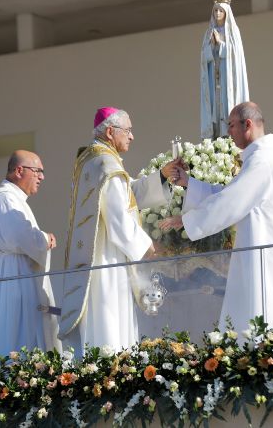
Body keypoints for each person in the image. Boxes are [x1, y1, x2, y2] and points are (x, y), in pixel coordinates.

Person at [160, 102, 273, 334]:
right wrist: (190, 184)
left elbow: (232, 201)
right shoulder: (260, 158)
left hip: (264, 251)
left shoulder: (263, 161)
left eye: (231, 125)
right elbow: (229, 193)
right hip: (257, 247)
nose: (228, 132)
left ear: (247, 124)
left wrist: (186, 220)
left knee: (262, 314)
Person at [58, 107, 181, 357]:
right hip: (109, 259)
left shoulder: (93, 160)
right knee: (112, 324)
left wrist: (162, 176)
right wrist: (149, 247)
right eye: (128, 130)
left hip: (100, 257)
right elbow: (118, 220)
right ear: (111, 132)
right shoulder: (106, 164)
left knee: (105, 323)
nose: (132, 136)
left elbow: (127, 196)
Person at [0, 150, 60, 358]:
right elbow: (20, 236)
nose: (42, 177)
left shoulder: (14, 199)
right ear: (19, 170)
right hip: (14, 274)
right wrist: (45, 238)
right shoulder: (5, 200)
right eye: (37, 171)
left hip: (17, 271)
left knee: (23, 330)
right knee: (17, 331)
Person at [200, 0, 249, 139]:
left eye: (221, 11)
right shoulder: (209, 33)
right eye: (215, 11)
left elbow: (235, 57)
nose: (218, 14)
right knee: (215, 107)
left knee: (228, 106)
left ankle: (229, 136)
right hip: (214, 79)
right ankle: (215, 136)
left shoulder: (233, 32)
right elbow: (204, 58)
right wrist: (211, 47)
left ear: (226, 13)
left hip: (229, 79)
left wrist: (220, 44)